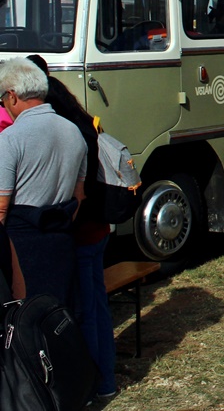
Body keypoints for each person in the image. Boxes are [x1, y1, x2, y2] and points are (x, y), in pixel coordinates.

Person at [27, 55, 118, 402]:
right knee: (98, 307)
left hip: (78, 231)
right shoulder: (81, 121)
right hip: (98, 228)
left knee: (82, 314)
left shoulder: (58, 128)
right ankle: (105, 380)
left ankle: (92, 382)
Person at [0, 57, 86, 306]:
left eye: (3, 100)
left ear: (13, 96)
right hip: (62, 242)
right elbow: (79, 196)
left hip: (23, 251)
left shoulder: (10, 139)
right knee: (61, 322)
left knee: (29, 329)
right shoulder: (73, 131)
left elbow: (2, 208)